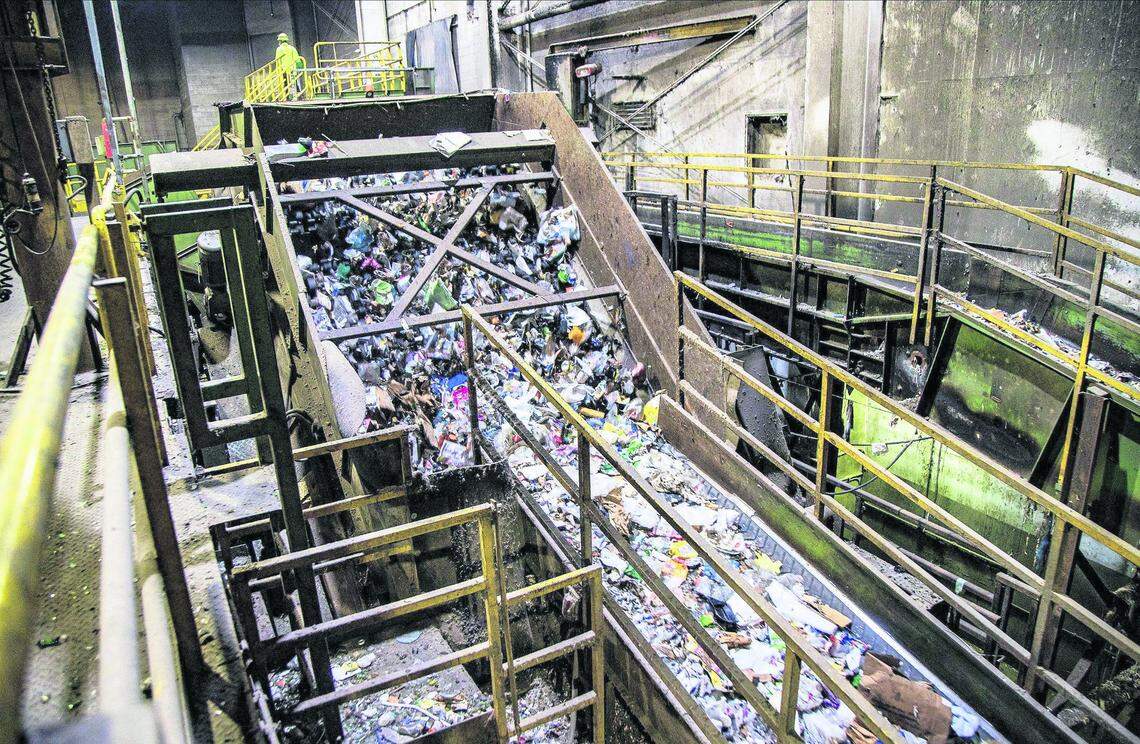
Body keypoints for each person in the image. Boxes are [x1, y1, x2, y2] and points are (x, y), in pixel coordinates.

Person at [274, 32, 304, 99]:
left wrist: (277, 71)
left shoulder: (279, 49)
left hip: (284, 70)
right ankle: (300, 97)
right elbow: (297, 59)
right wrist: (301, 67)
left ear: (280, 41)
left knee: (285, 85)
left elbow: (277, 61)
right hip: (293, 70)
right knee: (295, 84)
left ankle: (287, 98)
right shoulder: (292, 48)